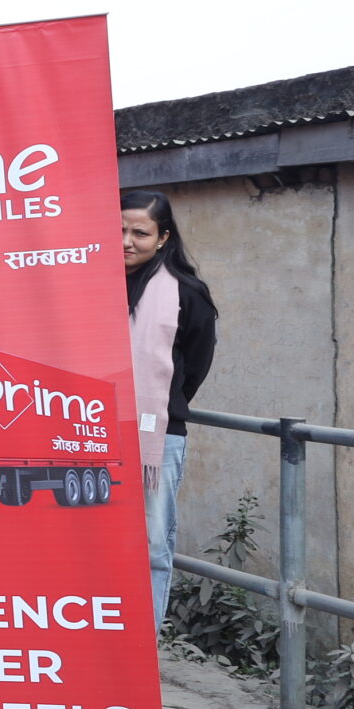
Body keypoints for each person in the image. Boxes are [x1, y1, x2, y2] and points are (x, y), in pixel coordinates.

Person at [122, 189, 216, 627]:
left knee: (151, 542)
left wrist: (159, 406)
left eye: (139, 232)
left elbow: (195, 367)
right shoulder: (86, 283)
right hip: (86, 431)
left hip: (155, 438)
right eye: (118, 230)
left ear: (162, 237)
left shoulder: (187, 293)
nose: (126, 240)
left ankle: (145, 645)